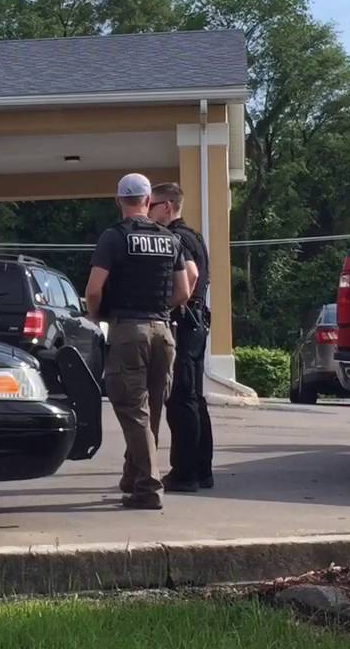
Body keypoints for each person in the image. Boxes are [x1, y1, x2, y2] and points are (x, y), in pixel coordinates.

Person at [86, 173, 192, 510]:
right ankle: (133, 477)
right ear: (148, 201)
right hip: (164, 331)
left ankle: (148, 488)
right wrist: (160, 309)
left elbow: (93, 290)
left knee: (132, 411)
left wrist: (96, 315)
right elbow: (184, 291)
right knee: (151, 411)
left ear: (119, 201)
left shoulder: (113, 238)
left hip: (128, 330)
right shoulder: (170, 239)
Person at [148, 182, 215, 491]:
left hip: (184, 323)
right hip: (198, 322)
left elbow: (191, 275)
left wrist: (168, 304)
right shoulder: (196, 236)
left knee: (180, 400)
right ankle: (202, 470)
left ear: (167, 207)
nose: (147, 212)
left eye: (151, 205)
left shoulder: (173, 237)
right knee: (195, 399)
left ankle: (185, 473)